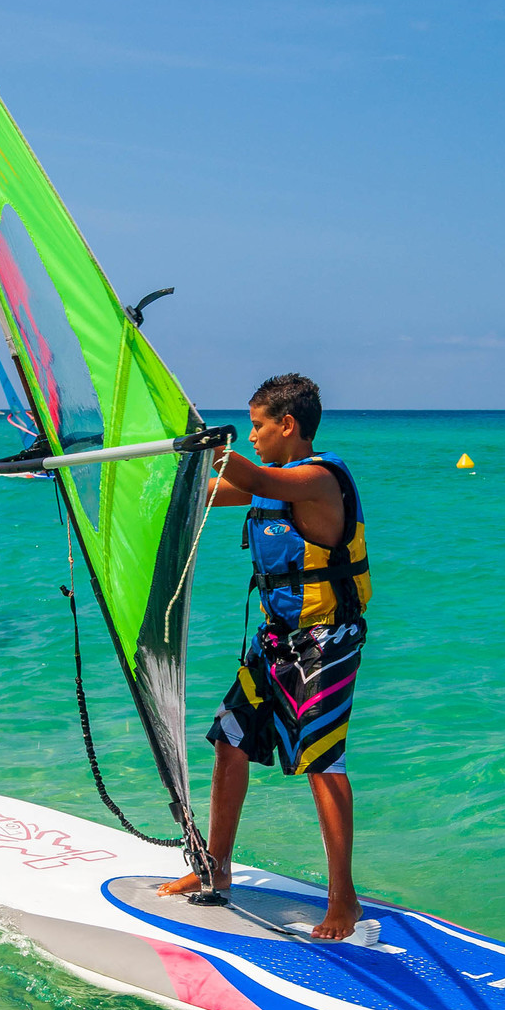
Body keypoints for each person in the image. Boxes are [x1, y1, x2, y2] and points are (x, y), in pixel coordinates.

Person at [159, 372, 370, 940]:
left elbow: (242, 472)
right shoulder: (272, 485)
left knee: (323, 766)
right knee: (228, 739)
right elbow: (201, 493)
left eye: (257, 425)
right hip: (276, 640)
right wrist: (139, 467)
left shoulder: (319, 480)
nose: (251, 436)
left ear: (287, 425)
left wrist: (200, 440)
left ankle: (343, 902)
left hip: (325, 643)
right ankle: (216, 869)